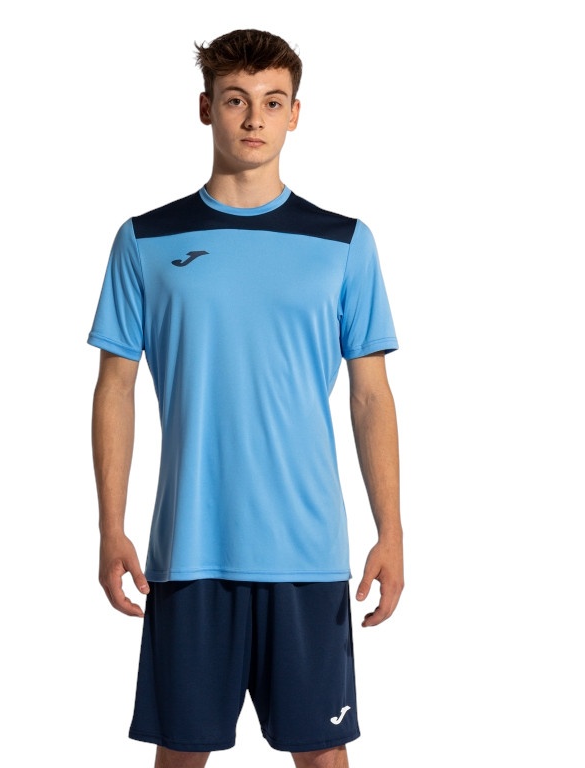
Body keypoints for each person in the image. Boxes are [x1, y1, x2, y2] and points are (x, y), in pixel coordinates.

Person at [88, 28, 403, 768]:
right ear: (207, 108)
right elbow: (114, 387)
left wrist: (390, 530)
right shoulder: (146, 240)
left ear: (295, 113)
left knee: (322, 755)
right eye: (236, 100)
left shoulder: (344, 243)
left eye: (272, 101)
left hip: (307, 551)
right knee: (181, 754)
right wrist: (110, 526)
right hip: (190, 548)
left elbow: (371, 397)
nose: (254, 118)